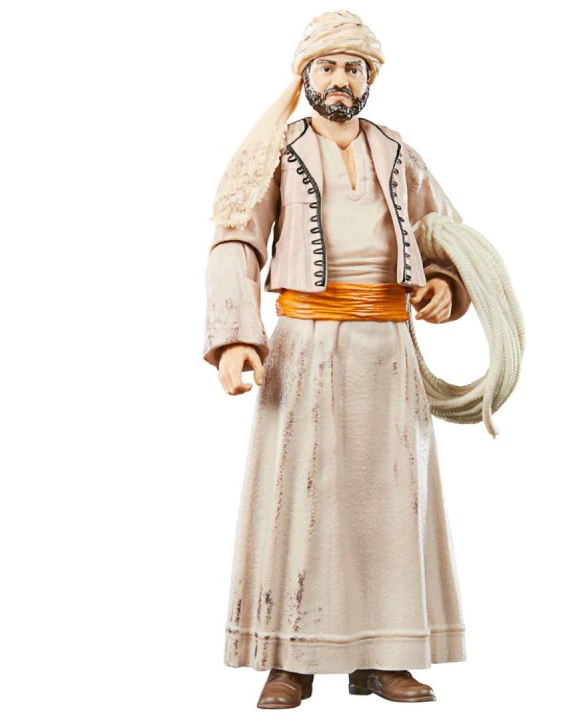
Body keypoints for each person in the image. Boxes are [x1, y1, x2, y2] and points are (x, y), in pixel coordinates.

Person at [203, 11, 474, 709]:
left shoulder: (399, 153)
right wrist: (237, 337)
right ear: (306, 75)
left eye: (354, 67)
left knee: (390, 502)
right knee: (302, 498)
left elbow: (446, 234)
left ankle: (386, 655)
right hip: (305, 346)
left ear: (369, 77)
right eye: (328, 66)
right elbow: (236, 240)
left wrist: (446, 285)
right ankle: (291, 659)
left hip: (387, 348)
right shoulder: (276, 153)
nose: (341, 79)